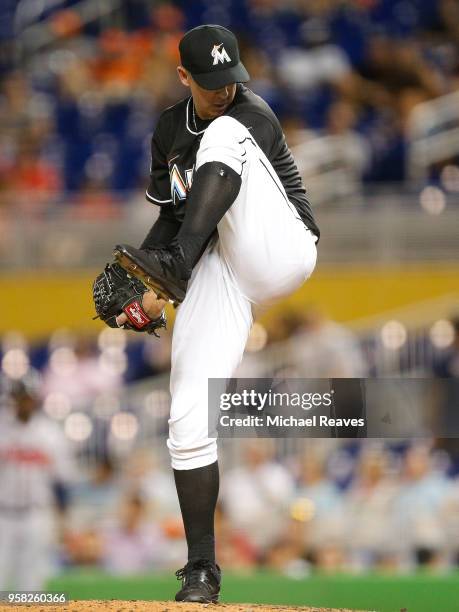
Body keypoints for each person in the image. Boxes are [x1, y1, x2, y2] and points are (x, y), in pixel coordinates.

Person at [109, 24, 319, 603]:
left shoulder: (251, 115)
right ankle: (202, 568)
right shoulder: (169, 129)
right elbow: (174, 219)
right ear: (183, 78)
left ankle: (174, 271)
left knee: (223, 132)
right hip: (218, 262)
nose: (225, 88)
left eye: (232, 78)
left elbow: (191, 229)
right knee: (187, 418)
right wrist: (140, 284)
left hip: (280, 246)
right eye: (210, 82)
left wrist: (168, 272)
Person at [0, 372, 75, 590]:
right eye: (19, 396)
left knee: (32, 582)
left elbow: (62, 480)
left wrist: (64, 519)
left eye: (27, 396)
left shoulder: (50, 434)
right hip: (3, 514)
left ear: (35, 398)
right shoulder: (2, 430)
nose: (23, 401)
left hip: (37, 514)